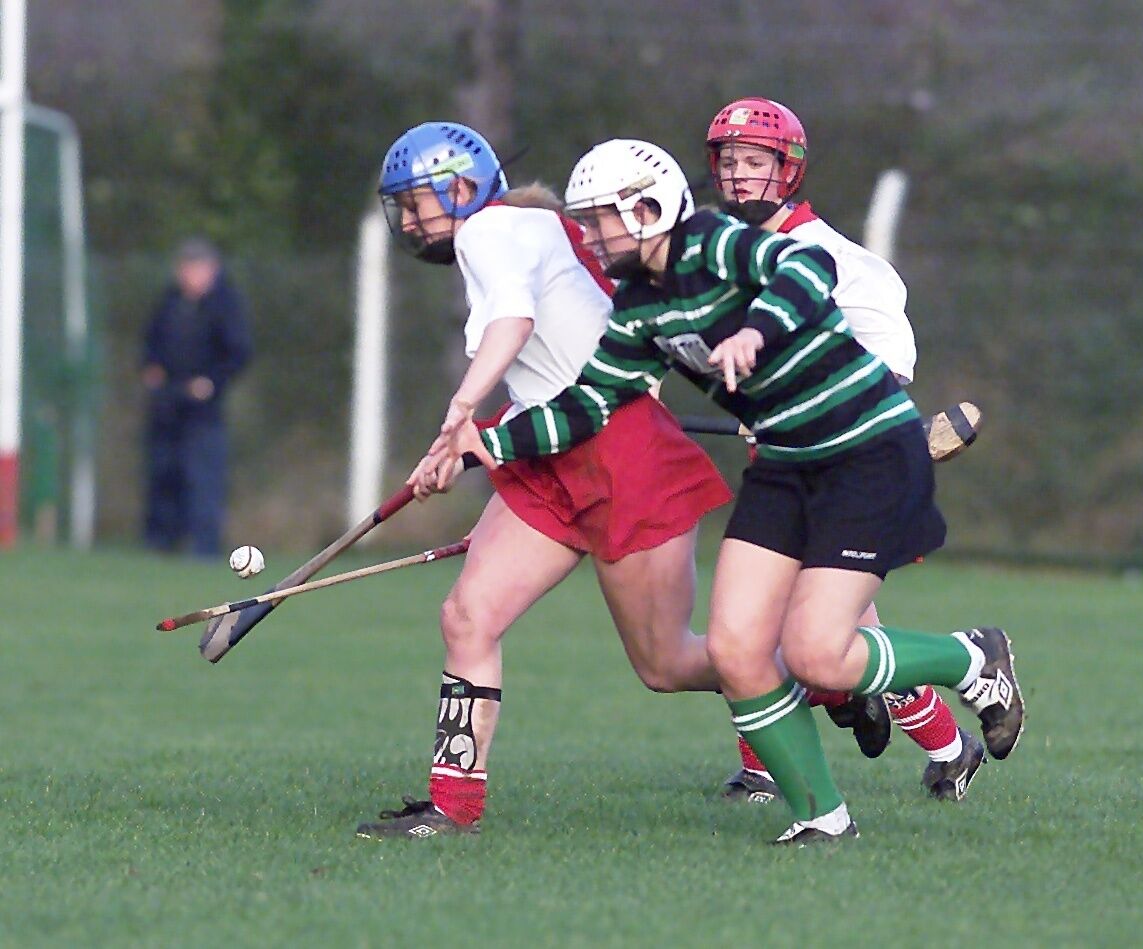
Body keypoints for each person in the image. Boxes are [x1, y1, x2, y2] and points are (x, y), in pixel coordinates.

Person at [437, 138, 1026, 844]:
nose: (587, 236)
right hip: (783, 463)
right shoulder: (637, 310)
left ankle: (971, 657)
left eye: (599, 221)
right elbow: (589, 404)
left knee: (816, 652)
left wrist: (756, 326)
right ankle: (822, 817)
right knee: (737, 648)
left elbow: (808, 267)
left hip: (864, 451)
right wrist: (484, 446)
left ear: (648, 210)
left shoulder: (716, 242)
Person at [354, 122, 885, 841]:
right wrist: (481, 445)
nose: (410, 222)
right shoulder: (533, 228)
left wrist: (459, 415)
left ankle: (816, 671)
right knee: (467, 617)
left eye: (418, 203)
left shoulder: (489, 231)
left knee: (667, 663)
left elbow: (515, 321)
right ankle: (451, 807)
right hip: (544, 452)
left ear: (462, 188)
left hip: (623, 460)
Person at [706, 96, 985, 802]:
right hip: (780, 466)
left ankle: (777, 760)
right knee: (821, 629)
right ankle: (948, 748)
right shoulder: (721, 258)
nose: (740, 177)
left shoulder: (839, 262)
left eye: (756, 163)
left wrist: (802, 411)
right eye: (730, 162)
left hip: (846, 466)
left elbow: (887, 369)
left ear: (789, 169)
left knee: (796, 631)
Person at [141, 238, 252, 558]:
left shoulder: (225, 305)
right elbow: (151, 343)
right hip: (167, 404)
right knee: (163, 472)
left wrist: (211, 383)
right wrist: (152, 369)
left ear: (211, 271)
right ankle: (160, 542)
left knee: (203, 476)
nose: (189, 275)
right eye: (185, 268)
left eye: (196, 268)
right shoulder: (169, 302)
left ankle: (204, 545)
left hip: (204, 410)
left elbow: (239, 353)